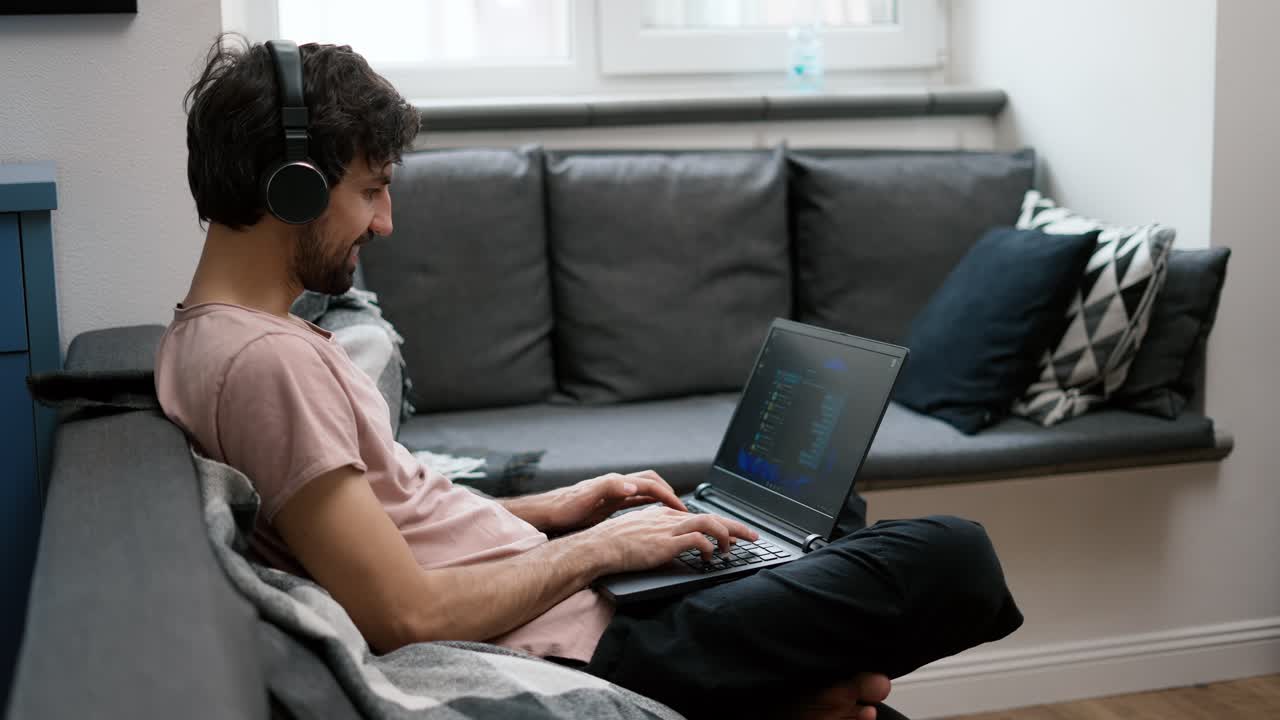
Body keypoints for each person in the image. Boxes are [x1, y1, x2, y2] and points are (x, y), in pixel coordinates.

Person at [156, 35, 1024, 720]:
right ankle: (780, 690)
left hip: (573, 594)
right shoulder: (265, 361)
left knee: (819, 512)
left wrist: (558, 507)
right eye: (372, 189)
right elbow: (404, 614)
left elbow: (388, 524)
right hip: (593, 635)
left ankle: (794, 689)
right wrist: (603, 548)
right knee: (954, 557)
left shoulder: (215, 340)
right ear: (296, 187)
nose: (385, 222)